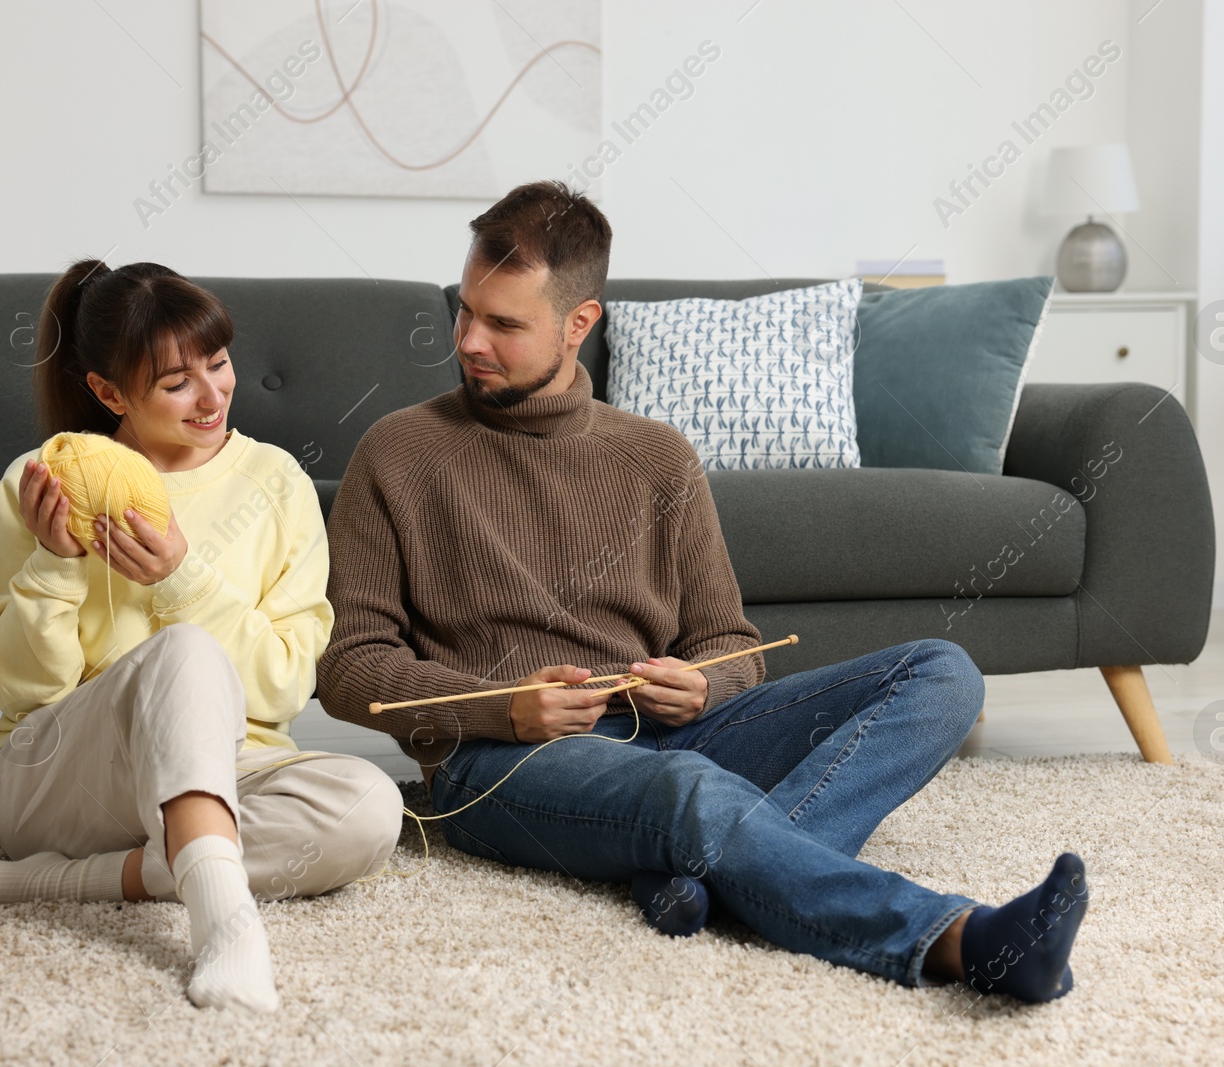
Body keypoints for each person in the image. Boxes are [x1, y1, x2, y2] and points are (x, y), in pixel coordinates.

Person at [316, 182, 1089, 1003]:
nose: (471, 340)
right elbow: (349, 667)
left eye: (504, 324)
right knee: (691, 793)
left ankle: (705, 883)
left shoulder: (657, 456)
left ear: (579, 324)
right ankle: (960, 940)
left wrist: (705, 681)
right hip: (500, 764)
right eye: (466, 312)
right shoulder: (396, 452)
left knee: (944, 674)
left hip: (676, 734)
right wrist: (501, 706)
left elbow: (729, 640)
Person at [0, 260, 403, 1014]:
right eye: (175, 383)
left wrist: (180, 579)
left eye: (219, 365)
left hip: (228, 767)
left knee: (370, 807)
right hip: (55, 775)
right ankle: (227, 924)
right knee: (186, 651)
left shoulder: (278, 482)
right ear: (108, 392)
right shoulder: (41, 484)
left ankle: (35, 880)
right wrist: (55, 563)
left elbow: (287, 684)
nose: (212, 395)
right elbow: (18, 690)